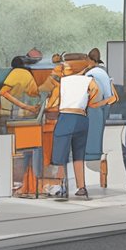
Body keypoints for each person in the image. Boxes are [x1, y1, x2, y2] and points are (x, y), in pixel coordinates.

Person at [50, 54, 107, 199]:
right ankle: (82, 187)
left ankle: (60, 185)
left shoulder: (63, 82)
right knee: (78, 155)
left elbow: (52, 104)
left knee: (61, 154)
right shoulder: (89, 81)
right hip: (82, 119)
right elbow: (96, 95)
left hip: (66, 117)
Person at [83, 48, 119, 168]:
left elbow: (93, 91)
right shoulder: (103, 70)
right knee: (98, 131)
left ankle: (92, 157)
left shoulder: (91, 74)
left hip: (96, 105)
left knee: (93, 131)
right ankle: (96, 154)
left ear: (91, 60)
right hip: (106, 104)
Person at [0, 55, 41, 120]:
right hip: (20, 109)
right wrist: (27, 107)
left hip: (21, 109)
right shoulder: (21, 72)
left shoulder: (19, 72)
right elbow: (3, 92)